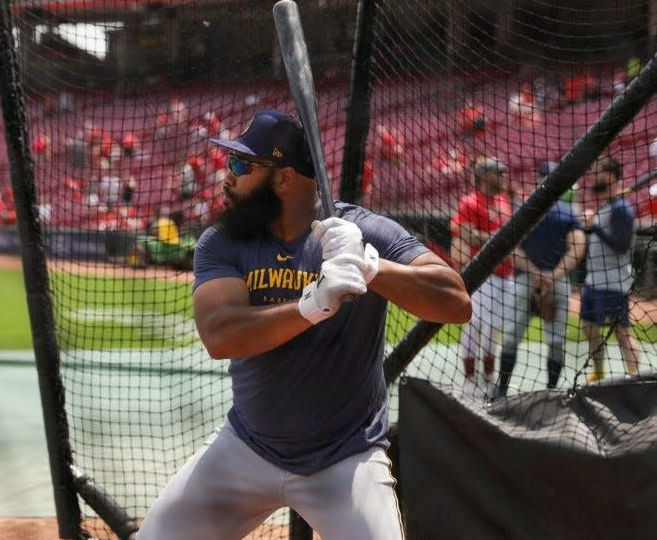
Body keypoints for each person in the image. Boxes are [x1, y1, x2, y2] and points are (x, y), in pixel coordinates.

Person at [135, 110, 472, 540]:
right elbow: (221, 336)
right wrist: (311, 306)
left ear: (283, 179)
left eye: (241, 165)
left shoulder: (363, 230)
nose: (226, 177)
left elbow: (456, 302)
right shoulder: (223, 242)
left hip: (346, 461)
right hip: (246, 449)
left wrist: (372, 266)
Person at [494, 161, 586, 397]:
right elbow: (578, 248)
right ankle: (552, 393)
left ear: (538, 178)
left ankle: (501, 390)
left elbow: (512, 248)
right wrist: (551, 276)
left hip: (527, 280)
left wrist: (537, 273)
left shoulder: (523, 208)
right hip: (556, 282)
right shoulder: (568, 212)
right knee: (555, 340)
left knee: (513, 335)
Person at [450, 156, 514, 398]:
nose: (502, 176)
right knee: (475, 324)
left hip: (505, 273)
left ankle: (488, 376)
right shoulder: (470, 202)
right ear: (484, 175)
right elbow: (468, 236)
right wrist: (499, 238)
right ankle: (469, 378)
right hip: (482, 276)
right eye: (498, 172)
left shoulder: (504, 200)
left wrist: (493, 237)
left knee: (494, 328)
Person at [580, 156, 640, 382]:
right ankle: (599, 372)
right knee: (588, 326)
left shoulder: (622, 209)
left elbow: (621, 244)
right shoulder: (607, 205)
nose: (594, 178)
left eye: (599, 173)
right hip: (593, 280)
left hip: (614, 281)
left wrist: (594, 227)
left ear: (612, 177)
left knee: (621, 331)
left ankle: (636, 378)